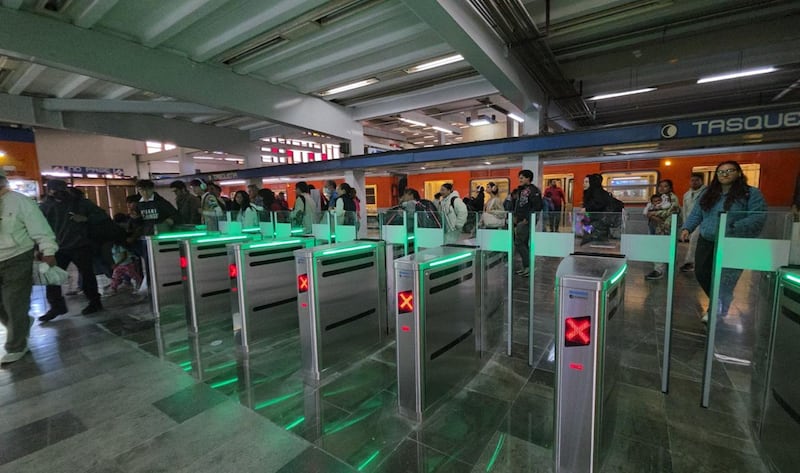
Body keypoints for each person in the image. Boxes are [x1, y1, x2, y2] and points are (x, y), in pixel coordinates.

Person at [680, 161, 766, 323]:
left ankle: (716, 308)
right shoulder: (709, 194)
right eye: (721, 172)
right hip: (707, 239)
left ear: (738, 173)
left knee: (726, 278)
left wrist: (733, 226)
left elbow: (758, 217)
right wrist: (687, 228)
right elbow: (697, 213)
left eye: (729, 171)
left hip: (733, 242)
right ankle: (721, 299)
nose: (725, 174)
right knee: (701, 272)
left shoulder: (751, 193)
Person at [0, 169, 58, 363]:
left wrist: (48, 251)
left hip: (17, 257)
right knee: (4, 306)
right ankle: (22, 323)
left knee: (14, 302)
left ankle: (16, 346)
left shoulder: (19, 202)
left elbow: (40, 229)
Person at [39, 179, 107, 320]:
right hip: (57, 247)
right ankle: (57, 307)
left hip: (80, 245)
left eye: (61, 190)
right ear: (49, 191)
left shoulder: (80, 203)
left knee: (87, 275)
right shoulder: (45, 206)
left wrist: (85, 218)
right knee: (52, 277)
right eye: (55, 190)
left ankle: (94, 302)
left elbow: (101, 215)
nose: (58, 193)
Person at [645, 179, 680, 280]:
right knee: (658, 246)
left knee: (662, 247)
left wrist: (654, 214)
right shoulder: (658, 198)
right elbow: (648, 210)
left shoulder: (672, 198)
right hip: (656, 225)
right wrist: (651, 215)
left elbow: (671, 211)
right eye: (660, 186)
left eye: (665, 186)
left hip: (666, 226)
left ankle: (660, 270)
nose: (662, 188)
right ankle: (661, 268)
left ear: (670, 188)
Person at [513, 170, 543, 276]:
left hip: (525, 221)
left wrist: (528, 218)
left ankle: (528, 266)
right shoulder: (522, 190)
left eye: (522, 178)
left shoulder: (533, 190)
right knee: (524, 243)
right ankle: (526, 267)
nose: (520, 180)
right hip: (520, 220)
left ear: (528, 178)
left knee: (519, 242)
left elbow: (537, 206)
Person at [680, 173, 706, 272]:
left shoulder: (706, 193)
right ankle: (694, 263)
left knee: (694, 242)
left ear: (702, 181)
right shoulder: (686, 194)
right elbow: (685, 210)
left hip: (702, 222)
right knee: (693, 242)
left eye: (697, 180)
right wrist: (686, 225)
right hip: (690, 223)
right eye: (692, 180)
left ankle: (690, 262)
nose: (694, 182)